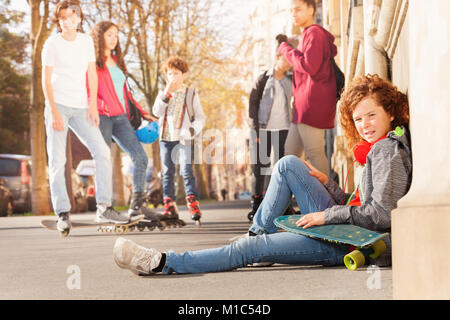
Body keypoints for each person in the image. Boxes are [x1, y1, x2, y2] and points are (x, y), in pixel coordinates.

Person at [112, 74, 412, 275]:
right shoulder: (378, 147)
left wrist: (326, 216)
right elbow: (361, 204)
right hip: (345, 229)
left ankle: (161, 262)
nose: (364, 125)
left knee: (246, 250)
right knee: (288, 164)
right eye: (358, 119)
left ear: (390, 111)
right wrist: (328, 184)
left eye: (372, 115)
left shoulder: (387, 151)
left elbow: (381, 215)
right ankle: (258, 234)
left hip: (350, 242)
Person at [41, 0, 132, 234]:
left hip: (82, 107)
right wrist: (52, 110)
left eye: (72, 17)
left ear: (79, 18)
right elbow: (45, 79)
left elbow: (91, 72)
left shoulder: (85, 42)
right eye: (62, 18)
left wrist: (92, 105)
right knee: (57, 160)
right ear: (58, 20)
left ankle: (104, 206)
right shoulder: (51, 44)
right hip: (58, 106)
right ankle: (62, 212)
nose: (67, 22)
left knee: (102, 151)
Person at [90, 21, 157, 219]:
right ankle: (103, 208)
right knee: (103, 160)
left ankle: (137, 204)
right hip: (102, 116)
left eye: (116, 35)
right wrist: (99, 107)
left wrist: (142, 111)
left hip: (121, 117)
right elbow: (90, 89)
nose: (114, 39)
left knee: (140, 157)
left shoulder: (117, 61)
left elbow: (125, 92)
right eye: (109, 35)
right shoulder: (92, 61)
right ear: (99, 36)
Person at [278, 0, 338, 176]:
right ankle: (284, 201)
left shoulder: (314, 33)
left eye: (298, 10)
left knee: (314, 153)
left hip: (311, 104)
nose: (294, 14)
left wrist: (286, 50)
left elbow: (309, 66)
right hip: (302, 106)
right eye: (291, 11)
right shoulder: (306, 35)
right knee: (289, 155)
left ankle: (325, 201)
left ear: (311, 9)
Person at [152, 56, 206, 224]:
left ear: (184, 75)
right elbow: (156, 112)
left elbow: (200, 117)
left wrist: (191, 131)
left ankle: (192, 203)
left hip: (184, 139)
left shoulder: (190, 93)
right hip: (166, 138)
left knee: (186, 171)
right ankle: (169, 204)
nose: (172, 77)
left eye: (176, 74)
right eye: (169, 74)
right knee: (167, 173)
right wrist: (166, 93)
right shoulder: (163, 93)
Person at [248, 34, 294, 218]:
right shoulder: (263, 79)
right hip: (263, 129)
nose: (290, 63)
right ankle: (257, 204)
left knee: (282, 167)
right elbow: (252, 104)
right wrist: (255, 130)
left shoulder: (291, 79)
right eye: (287, 59)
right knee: (260, 167)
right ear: (277, 57)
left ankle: (284, 205)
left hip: (285, 129)